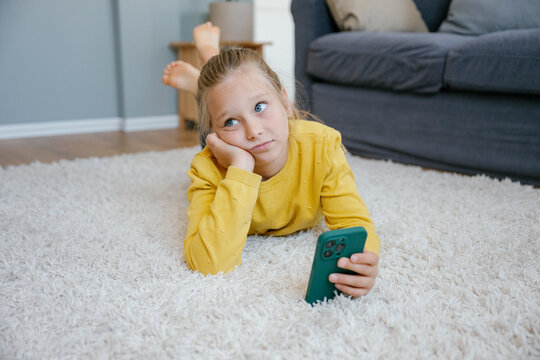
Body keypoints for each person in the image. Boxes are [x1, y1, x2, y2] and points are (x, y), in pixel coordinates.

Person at [162, 22, 380, 298]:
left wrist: (364, 261)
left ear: (285, 101)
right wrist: (240, 168)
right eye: (230, 122)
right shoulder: (207, 168)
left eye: (260, 107)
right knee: (222, 93)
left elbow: (354, 224)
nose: (255, 131)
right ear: (215, 135)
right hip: (221, 145)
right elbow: (208, 262)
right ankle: (205, 72)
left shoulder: (322, 146)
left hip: (256, 114)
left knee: (226, 91)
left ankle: (206, 69)